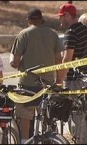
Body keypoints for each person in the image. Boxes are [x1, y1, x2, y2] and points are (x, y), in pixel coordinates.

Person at [9, 8, 64, 143]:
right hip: (47, 83)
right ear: (41, 19)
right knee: (46, 115)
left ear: (28, 20)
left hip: (27, 83)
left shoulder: (24, 34)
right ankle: (48, 139)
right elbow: (59, 60)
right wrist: (59, 81)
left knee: (25, 117)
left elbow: (15, 63)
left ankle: (24, 141)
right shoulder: (53, 34)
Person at [56, 3, 87, 144]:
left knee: (76, 116)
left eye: (61, 17)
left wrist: (59, 82)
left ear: (68, 16)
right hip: (85, 77)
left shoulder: (71, 32)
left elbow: (67, 59)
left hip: (75, 79)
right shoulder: (85, 30)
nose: (60, 20)